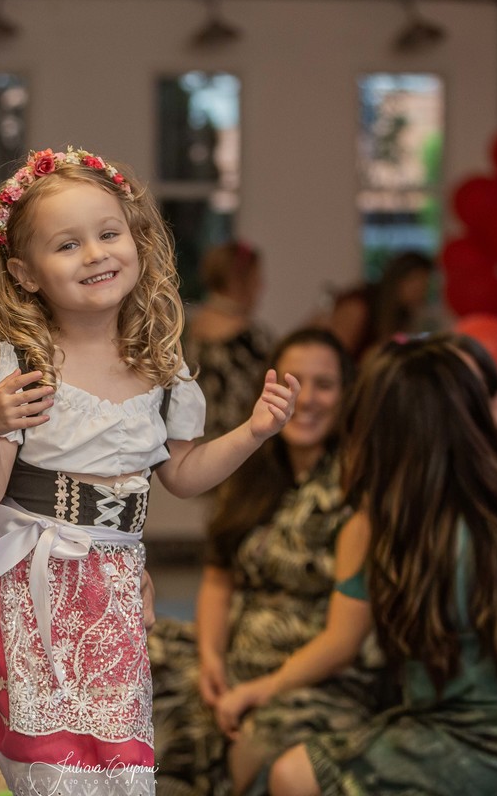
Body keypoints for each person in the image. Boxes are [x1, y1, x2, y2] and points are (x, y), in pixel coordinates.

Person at [0, 147, 300, 794]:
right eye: (67, 245)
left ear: (136, 241)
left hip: (114, 589)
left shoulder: (161, 367)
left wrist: (252, 432)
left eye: (109, 234)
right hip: (32, 586)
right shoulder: (17, 364)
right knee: (52, 770)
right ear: (25, 274)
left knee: (120, 769)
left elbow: (184, 473)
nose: (95, 255)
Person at [215, 335, 497, 796]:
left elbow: (345, 642)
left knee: (290, 774)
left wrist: (260, 689)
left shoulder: (387, 522)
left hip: (479, 737)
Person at [148, 328, 384, 796]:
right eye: (293, 381)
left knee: (251, 740)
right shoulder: (248, 467)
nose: (305, 398)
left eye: (324, 385)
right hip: (236, 656)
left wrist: (259, 690)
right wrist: (212, 661)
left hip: (318, 676)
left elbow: (344, 640)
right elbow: (218, 578)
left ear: (346, 396)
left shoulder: (359, 486)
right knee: (136, 659)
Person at [184, 240, 272, 441]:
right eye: (256, 279)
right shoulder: (251, 338)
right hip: (239, 443)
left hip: (194, 442)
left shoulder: (186, 329)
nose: (262, 287)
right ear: (238, 281)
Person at [326, 249, 433, 360]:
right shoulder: (359, 305)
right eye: (420, 284)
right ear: (401, 279)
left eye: (425, 286)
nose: (422, 292)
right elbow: (334, 355)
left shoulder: (402, 316)